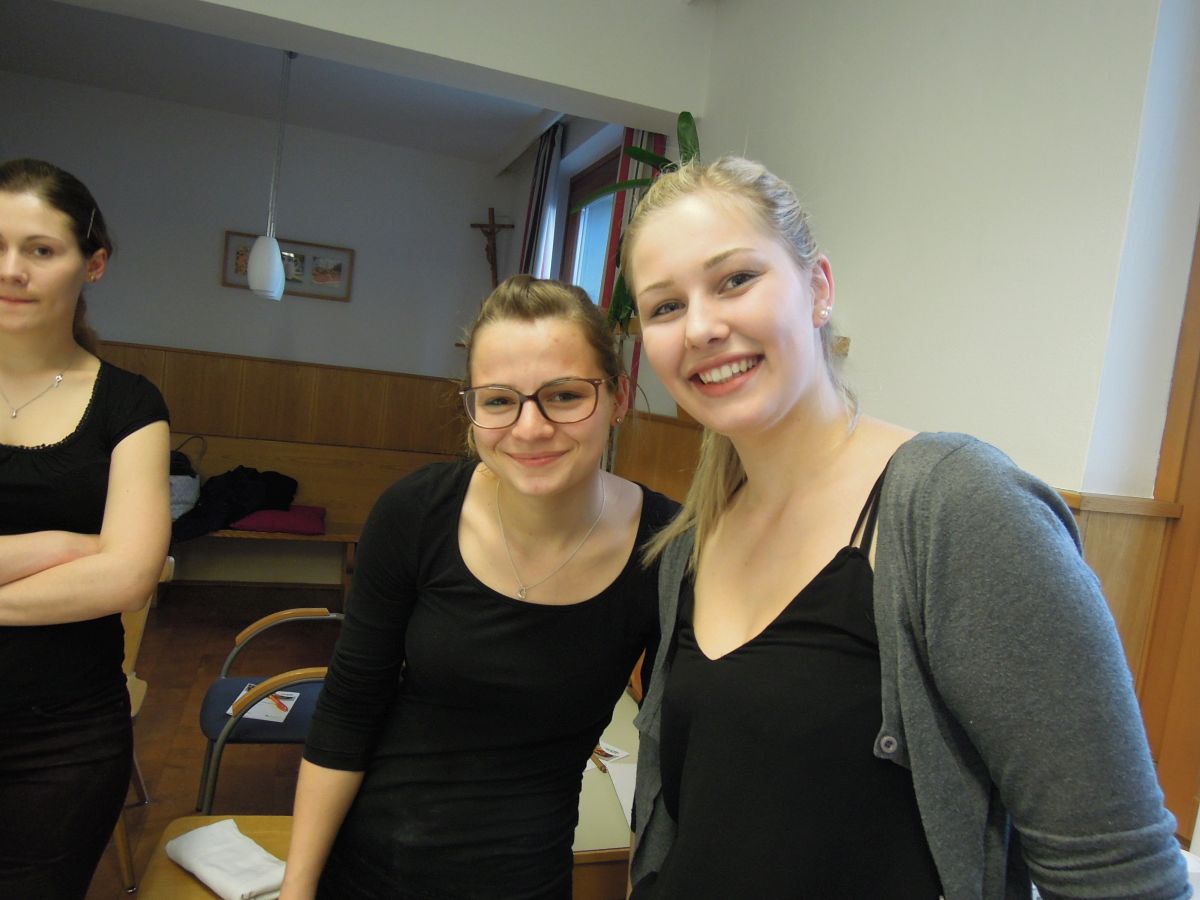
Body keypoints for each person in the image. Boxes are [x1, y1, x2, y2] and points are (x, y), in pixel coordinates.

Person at [620, 156, 1189, 899]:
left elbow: (1120, 874)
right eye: (666, 306)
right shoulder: (691, 543)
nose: (701, 327)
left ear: (818, 288)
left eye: (735, 280)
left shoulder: (959, 509)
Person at [280, 275, 679, 900]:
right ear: (471, 408)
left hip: (527, 878)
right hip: (367, 865)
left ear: (618, 397)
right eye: (498, 401)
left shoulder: (666, 545)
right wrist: (297, 888)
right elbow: (348, 709)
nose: (530, 427)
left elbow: (668, 757)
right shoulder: (416, 512)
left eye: (565, 395)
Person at [0, 158, 170, 898]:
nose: (11, 270)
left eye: (40, 249)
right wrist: (61, 548)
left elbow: (127, 577)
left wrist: (108, 561)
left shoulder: (129, 404)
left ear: (92, 264)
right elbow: (107, 560)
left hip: (63, 737)